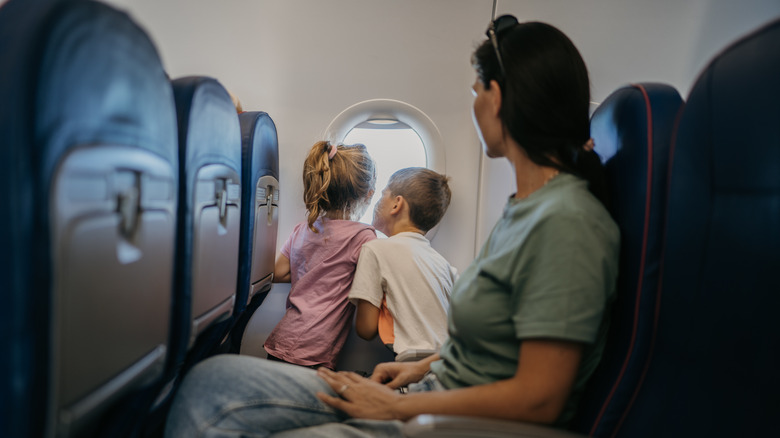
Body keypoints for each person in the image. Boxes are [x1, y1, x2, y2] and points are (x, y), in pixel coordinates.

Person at [164, 17, 619, 437]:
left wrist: (397, 408)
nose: (474, 102)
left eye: (476, 89)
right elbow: (491, 351)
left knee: (212, 400)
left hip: (443, 420)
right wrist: (417, 371)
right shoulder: (526, 210)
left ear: (496, 98)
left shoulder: (567, 223)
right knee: (210, 381)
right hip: (425, 392)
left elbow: (541, 397)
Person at [263, 140, 377, 370]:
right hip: (311, 351)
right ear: (368, 194)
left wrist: (313, 272)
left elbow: (278, 272)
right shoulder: (363, 237)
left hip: (283, 337)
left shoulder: (304, 228)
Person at [349, 167, 456, 357]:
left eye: (383, 194)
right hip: (447, 362)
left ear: (396, 204)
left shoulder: (375, 250)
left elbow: (366, 329)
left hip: (412, 363)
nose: (378, 201)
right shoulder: (445, 266)